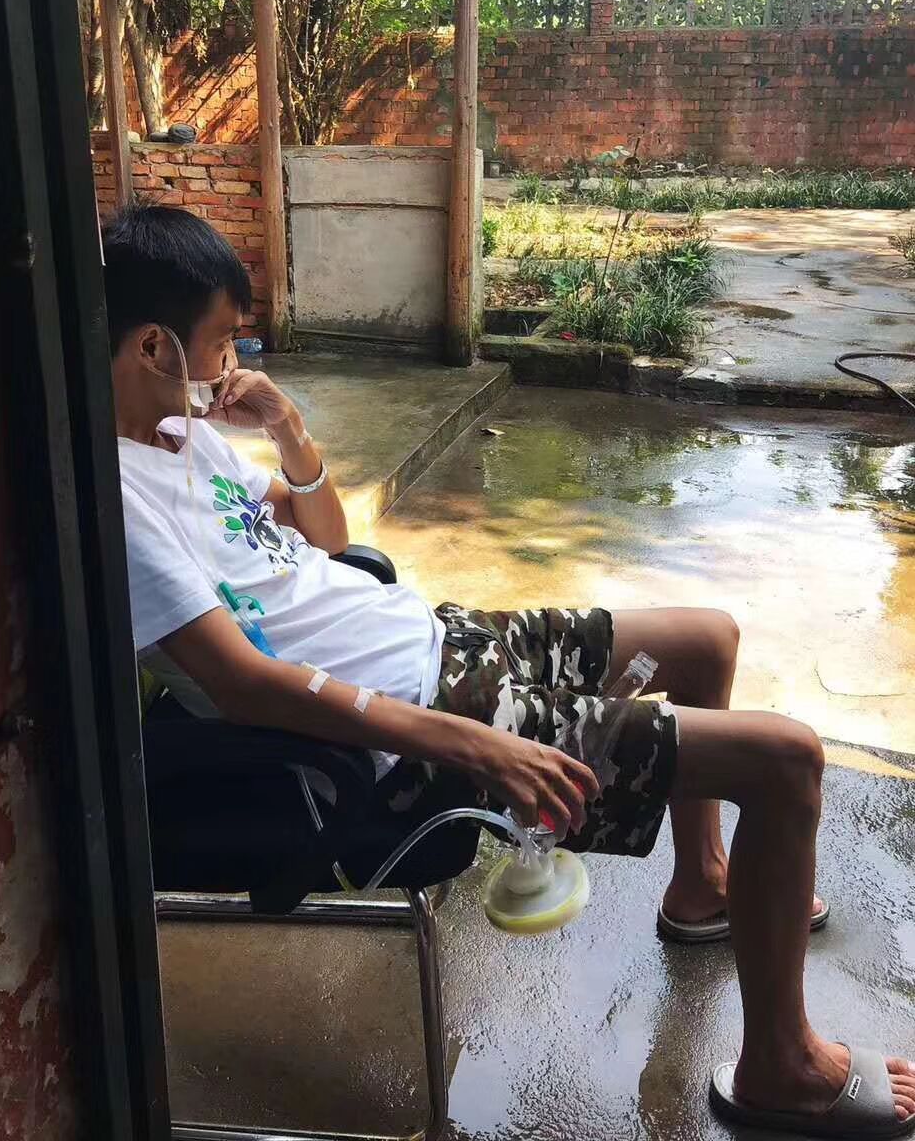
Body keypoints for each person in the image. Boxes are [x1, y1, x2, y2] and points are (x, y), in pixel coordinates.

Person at [105, 202, 915, 1140]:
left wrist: (287, 428)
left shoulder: (182, 437)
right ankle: (781, 1066)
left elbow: (325, 540)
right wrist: (477, 744)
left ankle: (701, 885)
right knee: (787, 760)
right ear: (155, 346)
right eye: (222, 343)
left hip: (445, 640)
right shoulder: (118, 500)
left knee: (705, 640)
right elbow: (243, 684)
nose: (231, 365)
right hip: (425, 720)